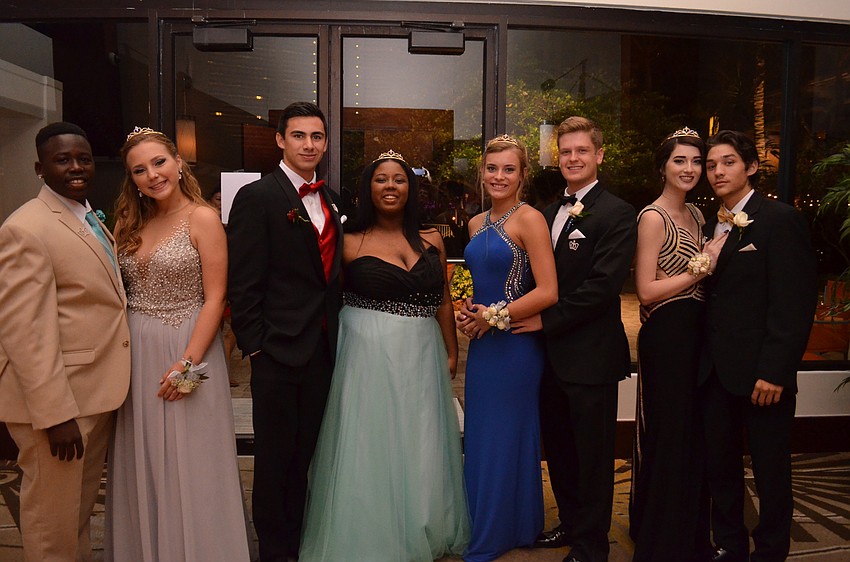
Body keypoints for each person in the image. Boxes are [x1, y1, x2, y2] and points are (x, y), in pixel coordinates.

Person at [299, 149, 470, 561]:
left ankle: (421, 525)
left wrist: (452, 352)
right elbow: (325, 299)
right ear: (367, 189)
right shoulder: (349, 239)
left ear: (410, 189)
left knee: (421, 438)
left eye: (398, 179)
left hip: (422, 350)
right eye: (381, 179)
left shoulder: (431, 238)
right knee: (371, 440)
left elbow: (443, 299)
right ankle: (369, 528)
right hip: (367, 353)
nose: (390, 186)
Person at [105, 127, 249, 561]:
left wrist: (187, 365)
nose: (152, 174)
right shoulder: (129, 222)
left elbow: (216, 297)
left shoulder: (202, 218)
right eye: (139, 170)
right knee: (143, 458)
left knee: (194, 460)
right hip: (136, 352)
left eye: (159, 162)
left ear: (179, 162)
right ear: (132, 179)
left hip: (189, 346)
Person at [0, 122, 131, 561]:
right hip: (59, 405)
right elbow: (26, 331)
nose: (76, 167)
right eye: (62, 160)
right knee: (51, 522)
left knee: (74, 516)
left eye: (83, 158)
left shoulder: (85, 214)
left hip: (92, 394)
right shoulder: (27, 228)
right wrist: (53, 415)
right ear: (40, 168)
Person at [515, 116, 637, 562]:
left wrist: (546, 321)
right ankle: (570, 524)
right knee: (560, 450)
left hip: (590, 357)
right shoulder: (547, 213)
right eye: (565, 152)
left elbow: (602, 288)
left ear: (599, 155)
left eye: (582, 151)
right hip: (545, 358)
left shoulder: (618, 213)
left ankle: (591, 545)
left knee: (592, 457)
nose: (573, 158)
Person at [227, 101, 344, 562]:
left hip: (321, 348)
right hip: (276, 352)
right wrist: (256, 347)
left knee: (305, 456)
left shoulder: (331, 198)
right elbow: (244, 280)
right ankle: (275, 551)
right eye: (299, 136)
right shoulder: (258, 197)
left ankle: (299, 541)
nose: (309, 144)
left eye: (317, 137)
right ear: (280, 140)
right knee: (274, 460)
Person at [700, 130, 817, 562]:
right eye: (712, 165)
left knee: (770, 471)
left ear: (750, 167)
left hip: (762, 375)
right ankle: (729, 546)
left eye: (727, 162)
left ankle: (770, 551)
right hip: (714, 371)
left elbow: (793, 304)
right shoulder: (710, 222)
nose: (717, 172)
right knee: (721, 467)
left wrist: (775, 371)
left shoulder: (780, 219)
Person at [457, 134, 558, 562]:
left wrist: (494, 315)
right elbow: (480, 284)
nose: (499, 176)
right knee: (482, 435)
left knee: (506, 437)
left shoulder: (530, 219)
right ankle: (504, 523)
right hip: (483, 349)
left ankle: (500, 533)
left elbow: (549, 292)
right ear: (482, 173)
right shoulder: (475, 223)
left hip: (516, 348)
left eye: (508, 169)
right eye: (492, 168)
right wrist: (468, 313)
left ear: (522, 175)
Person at [628, 127, 724, 562]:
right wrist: (701, 270)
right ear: (663, 167)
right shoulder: (653, 217)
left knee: (692, 434)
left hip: (696, 335)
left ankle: (688, 536)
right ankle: (661, 541)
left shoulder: (701, 217)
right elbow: (646, 290)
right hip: (666, 336)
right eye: (679, 161)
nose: (689, 169)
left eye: (696, 162)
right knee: (668, 434)